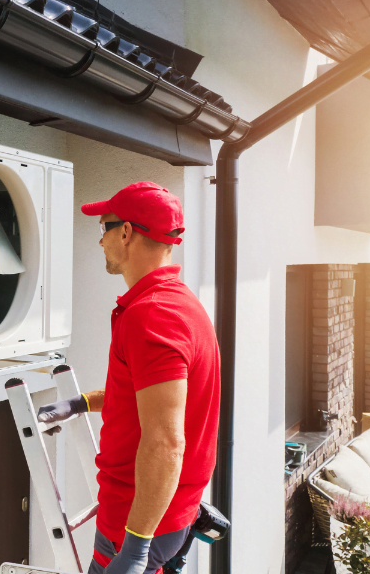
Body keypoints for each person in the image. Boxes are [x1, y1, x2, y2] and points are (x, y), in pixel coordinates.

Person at [37, 182, 220, 574]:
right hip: (161, 513)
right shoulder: (178, 304)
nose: (100, 240)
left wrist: (136, 548)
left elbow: (167, 444)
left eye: (103, 228)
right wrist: (80, 402)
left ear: (126, 232)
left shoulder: (152, 316)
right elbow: (146, 395)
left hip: (137, 522)